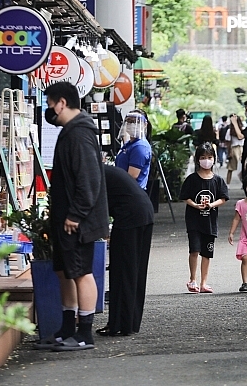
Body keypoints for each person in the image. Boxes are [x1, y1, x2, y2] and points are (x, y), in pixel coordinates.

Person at [37, 81, 109, 351]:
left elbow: (88, 181)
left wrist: (75, 215)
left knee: (80, 272)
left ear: (62, 103)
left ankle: (85, 333)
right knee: (64, 271)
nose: (49, 110)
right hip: (66, 218)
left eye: (50, 104)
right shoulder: (72, 131)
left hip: (78, 221)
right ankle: (67, 328)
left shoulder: (79, 134)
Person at [96, 165, 154, 337]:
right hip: (144, 212)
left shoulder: (93, 174)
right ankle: (130, 322)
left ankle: (118, 324)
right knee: (136, 271)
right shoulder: (106, 171)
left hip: (129, 218)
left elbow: (95, 206)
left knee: (121, 270)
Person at [179, 142, 229, 293]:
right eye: (202, 157)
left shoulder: (218, 180)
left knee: (207, 253)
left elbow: (223, 198)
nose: (206, 160)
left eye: (209, 157)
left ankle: (204, 283)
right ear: (197, 159)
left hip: (210, 222)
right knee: (194, 250)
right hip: (194, 221)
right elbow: (185, 197)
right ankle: (193, 279)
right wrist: (195, 205)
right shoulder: (192, 179)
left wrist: (211, 205)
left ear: (214, 159)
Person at [115, 109, 152, 190]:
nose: (132, 124)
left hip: (131, 193)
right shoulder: (130, 144)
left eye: (136, 121)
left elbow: (132, 176)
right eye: (129, 121)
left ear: (145, 124)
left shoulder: (140, 147)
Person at [226, 114, 244, 184]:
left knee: (230, 168)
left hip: (233, 149)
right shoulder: (243, 129)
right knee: (243, 168)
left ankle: (228, 184)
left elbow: (228, 142)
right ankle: (243, 183)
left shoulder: (229, 131)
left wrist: (229, 152)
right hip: (242, 148)